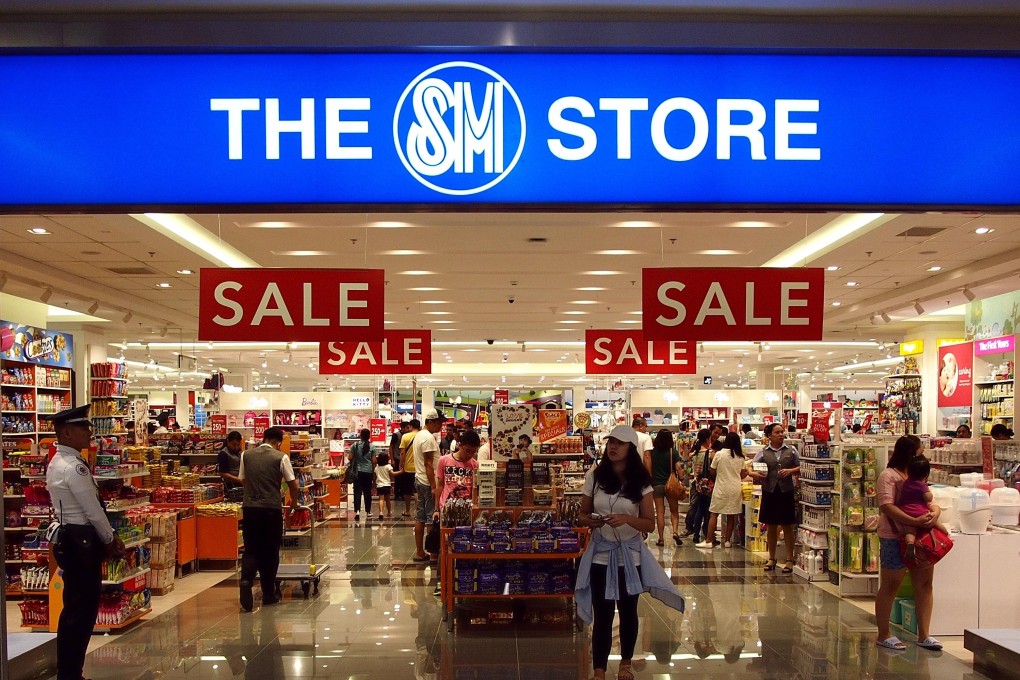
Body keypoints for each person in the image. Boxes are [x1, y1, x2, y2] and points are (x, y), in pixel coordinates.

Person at [574, 425, 685, 680]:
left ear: (631, 448)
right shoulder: (595, 476)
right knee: (602, 614)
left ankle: (625, 662)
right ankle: (599, 669)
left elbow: (649, 523)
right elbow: (582, 514)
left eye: (619, 443)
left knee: (627, 611)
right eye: (610, 442)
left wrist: (626, 519)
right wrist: (592, 521)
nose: (613, 447)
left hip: (630, 557)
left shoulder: (641, 481)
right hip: (601, 555)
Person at [47, 405, 126, 680]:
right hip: (81, 542)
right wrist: (110, 537)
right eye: (84, 427)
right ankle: (70, 674)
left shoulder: (58, 462)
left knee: (74, 610)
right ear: (67, 432)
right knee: (81, 613)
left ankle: (70, 672)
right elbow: (92, 510)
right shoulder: (74, 467)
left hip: (70, 540)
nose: (89, 432)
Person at [875, 434, 944, 652]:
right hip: (893, 536)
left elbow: (930, 500)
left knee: (925, 584)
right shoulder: (888, 476)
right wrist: (913, 521)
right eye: (920, 452)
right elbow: (886, 506)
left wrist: (935, 514)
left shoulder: (916, 474)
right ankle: (883, 633)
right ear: (910, 453)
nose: (922, 456)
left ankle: (924, 634)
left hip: (922, 537)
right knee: (891, 584)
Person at [238, 426, 300, 612]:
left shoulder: (246, 455)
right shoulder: (281, 457)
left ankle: (246, 580)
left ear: (264, 438)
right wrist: (294, 503)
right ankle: (268, 594)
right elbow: (293, 484)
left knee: (251, 549)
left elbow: (243, 480)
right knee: (270, 551)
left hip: (250, 509)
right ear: (278, 442)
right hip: (271, 509)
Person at [749, 423, 800, 572]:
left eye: (782, 432)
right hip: (769, 491)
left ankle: (789, 559)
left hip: (786, 491)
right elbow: (750, 467)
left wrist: (791, 471)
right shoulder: (763, 452)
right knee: (771, 525)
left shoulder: (791, 450)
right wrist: (754, 474)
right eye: (777, 432)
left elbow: (801, 466)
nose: (781, 434)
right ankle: (771, 557)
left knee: (787, 525)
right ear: (769, 435)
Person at [697, 432, 748, 549]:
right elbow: (742, 474)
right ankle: (727, 541)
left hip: (721, 487)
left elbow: (712, 471)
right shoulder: (741, 457)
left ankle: (709, 540)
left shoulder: (719, 454)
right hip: (735, 488)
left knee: (714, 513)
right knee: (731, 515)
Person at [897, 455, 949, 562]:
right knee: (936, 523)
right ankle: (947, 536)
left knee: (910, 531)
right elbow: (928, 498)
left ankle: (910, 544)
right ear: (926, 474)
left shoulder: (906, 483)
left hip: (906, 511)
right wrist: (928, 493)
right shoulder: (922, 485)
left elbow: (901, 497)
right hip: (920, 511)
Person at [411, 408, 445, 562]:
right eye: (439, 423)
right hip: (427, 482)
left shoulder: (419, 435)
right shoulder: (428, 438)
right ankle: (433, 555)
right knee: (432, 518)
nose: (441, 426)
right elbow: (429, 464)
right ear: (431, 422)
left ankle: (420, 552)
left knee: (420, 517)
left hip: (420, 479)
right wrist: (433, 487)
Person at [645, 428, 683, 547]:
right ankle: (675, 532)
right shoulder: (673, 452)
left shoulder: (652, 452)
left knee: (660, 512)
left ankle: (661, 538)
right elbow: (679, 467)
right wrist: (682, 479)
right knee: (674, 511)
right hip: (671, 486)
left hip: (656, 484)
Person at [436, 430, 480, 507]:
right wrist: (436, 509)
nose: (469, 455)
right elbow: (440, 485)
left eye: (473, 452)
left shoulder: (475, 465)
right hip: (446, 507)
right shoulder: (443, 460)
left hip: (466, 507)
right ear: (460, 445)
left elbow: (475, 489)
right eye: (467, 451)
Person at [689, 428, 715, 544]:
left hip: (697, 483)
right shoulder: (710, 454)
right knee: (708, 510)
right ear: (707, 439)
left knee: (699, 509)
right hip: (708, 484)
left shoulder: (694, 453)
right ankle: (707, 533)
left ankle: (696, 534)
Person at [348, 428, 376, 522]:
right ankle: (368, 511)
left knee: (357, 492)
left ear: (360, 436)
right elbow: (374, 461)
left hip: (357, 472)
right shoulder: (372, 446)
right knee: (367, 492)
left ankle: (357, 511)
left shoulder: (355, 445)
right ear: (369, 436)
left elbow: (350, 457)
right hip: (368, 472)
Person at [395, 419, 419, 518]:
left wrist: (401, 464)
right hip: (419, 468)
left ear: (411, 426)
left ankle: (408, 510)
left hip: (408, 467)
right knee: (417, 491)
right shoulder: (422, 436)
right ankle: (418, 511)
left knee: (407, 491)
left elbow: (402, 453)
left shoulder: (405, 436)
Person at [374, 452, 395, 520]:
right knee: (387, 500)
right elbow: (392, 474)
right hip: (387, 485)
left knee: (381, 499)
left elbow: (374, 477)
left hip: (379, 485)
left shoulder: (377, 467)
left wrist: (374, 485)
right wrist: (401, 472)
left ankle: (381, 512)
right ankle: (389, 512)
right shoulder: (388, 466)